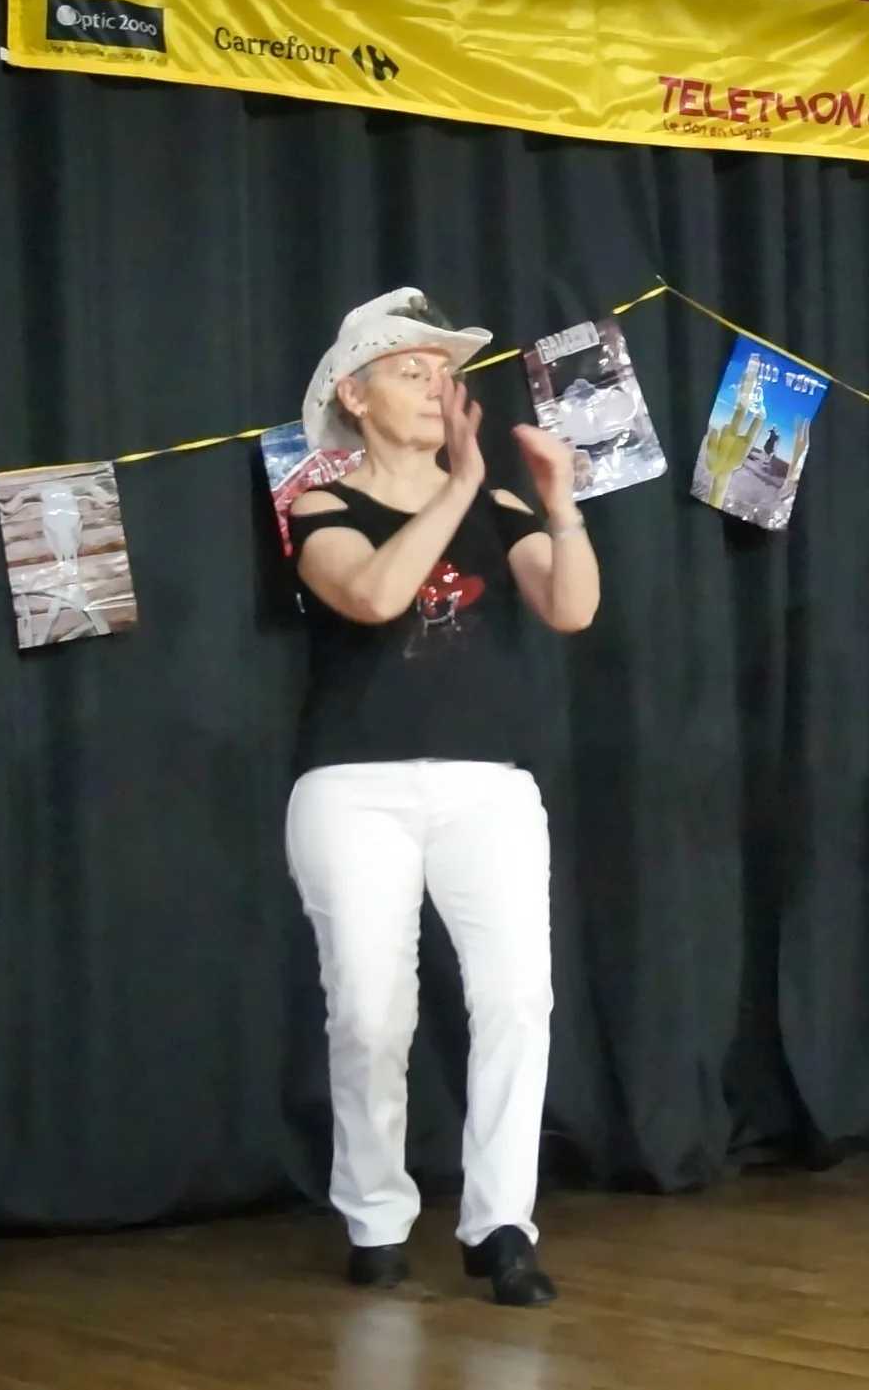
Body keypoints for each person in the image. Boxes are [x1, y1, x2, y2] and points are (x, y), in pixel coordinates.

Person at [283, 288, 599, 1307]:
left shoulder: (498, 506)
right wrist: (459, 484)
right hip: (354, 785)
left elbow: (571, 607)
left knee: (516, 998)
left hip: (487, 785)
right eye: (410, 370)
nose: (436, 386)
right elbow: (374, 593)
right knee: (371, 1012)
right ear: (354, 394)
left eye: (444, 372)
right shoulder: (319, 503)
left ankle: (501, 1222)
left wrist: (557, 504)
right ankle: (376, 1213)